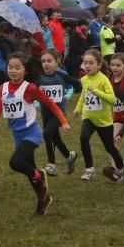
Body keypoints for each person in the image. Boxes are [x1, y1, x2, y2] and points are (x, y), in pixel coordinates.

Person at [0, 53, 69, 215]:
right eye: (10, 67)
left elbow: (49, 103)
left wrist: (63, 121)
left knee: (15, 162)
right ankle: (43, 199)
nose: (13, 71)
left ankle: (39, 175)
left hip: (32, 134)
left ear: (25, 70)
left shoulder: (30, 88)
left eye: (17, 67)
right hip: (17, 136)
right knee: (29, 170)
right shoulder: (3, 88)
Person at [75, 49, 124, 182]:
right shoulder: (84, 79)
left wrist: (96, 91)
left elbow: (112, 99)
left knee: (109, 147)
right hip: (89, 117)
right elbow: (84, 95)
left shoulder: (103, 80)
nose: (87, 66)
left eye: (90, 63)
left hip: (103, 121)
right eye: (85, 63)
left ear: (98, 65)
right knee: (83, 137)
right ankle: (89, 168)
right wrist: (78, 108)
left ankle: (121, 167)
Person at [37, 48, 81, 176]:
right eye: (43, 61)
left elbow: (76, 84)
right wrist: (36, 100)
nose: (46, 64)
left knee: (46, 134)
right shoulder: (39, 77)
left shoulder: (61, 75)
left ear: (57, 62)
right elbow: (33, 91)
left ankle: (51, 165)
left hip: (58, 113)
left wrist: (67, 95)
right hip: (45, 112)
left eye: (49, 61)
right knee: (55, 138)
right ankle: (69, 156)